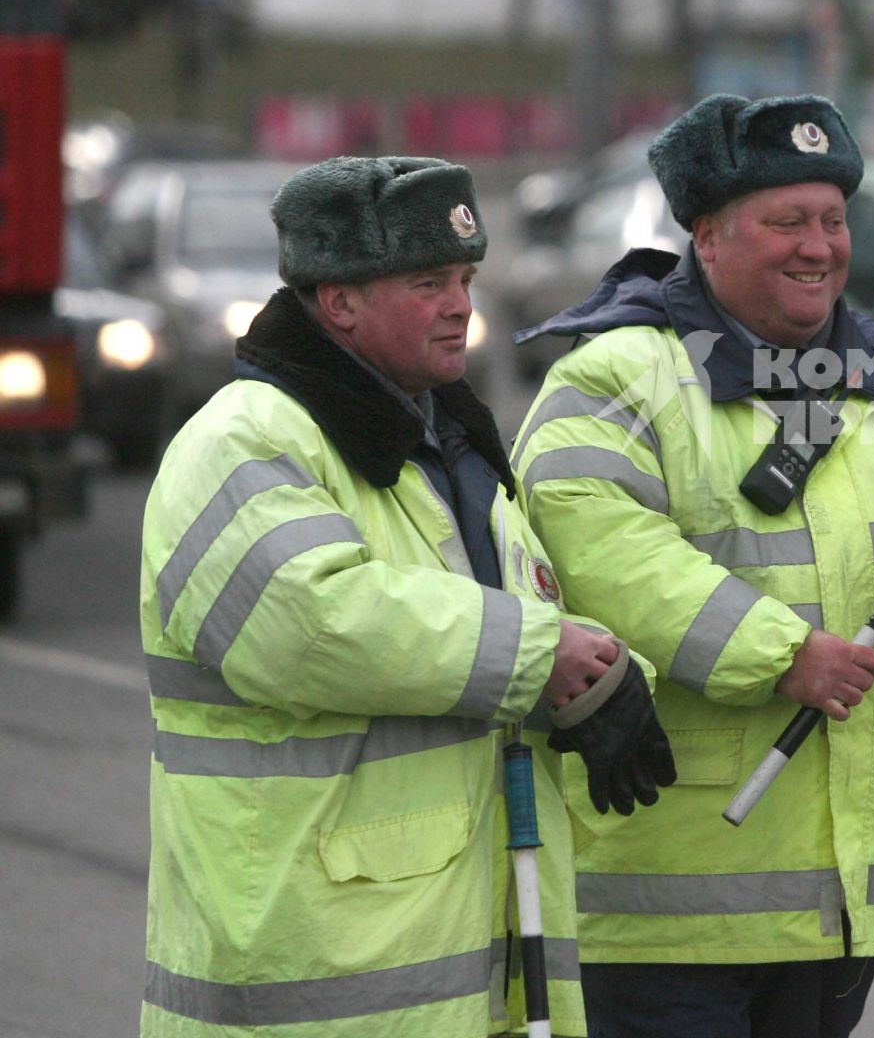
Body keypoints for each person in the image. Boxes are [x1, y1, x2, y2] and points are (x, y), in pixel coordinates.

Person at [511, 93, 874, 1038]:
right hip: (664, 901)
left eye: (833, 221)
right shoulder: (612, 376)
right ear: (708, 236)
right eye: (786, 222)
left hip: (846, 897)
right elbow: (595, 551)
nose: (818, 246)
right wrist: (781, 652)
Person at [139, 156, 676, 1037]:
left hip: (455, 968)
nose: (462, 303)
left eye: (466, 277)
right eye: (428, 281)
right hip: (308, 978)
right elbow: (314, 624)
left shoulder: (447, 446)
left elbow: (504, 628)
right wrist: (544, 658)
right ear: (339, 301)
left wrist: (592, 677)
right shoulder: (244, 440)